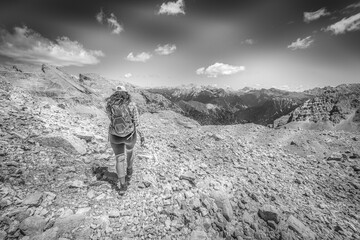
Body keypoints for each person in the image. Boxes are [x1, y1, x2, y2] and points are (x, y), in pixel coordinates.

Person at [105, 85, 143, 195]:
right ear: (126, 93)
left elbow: (110, 119)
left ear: (115, 94)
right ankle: (129, 170)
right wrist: (141, 135)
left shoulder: (109, 105)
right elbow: (137, 122)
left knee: (119, 159)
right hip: (129, 135)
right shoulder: (131, 104)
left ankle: (122, 186)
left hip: (115, 135)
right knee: (130, 151)